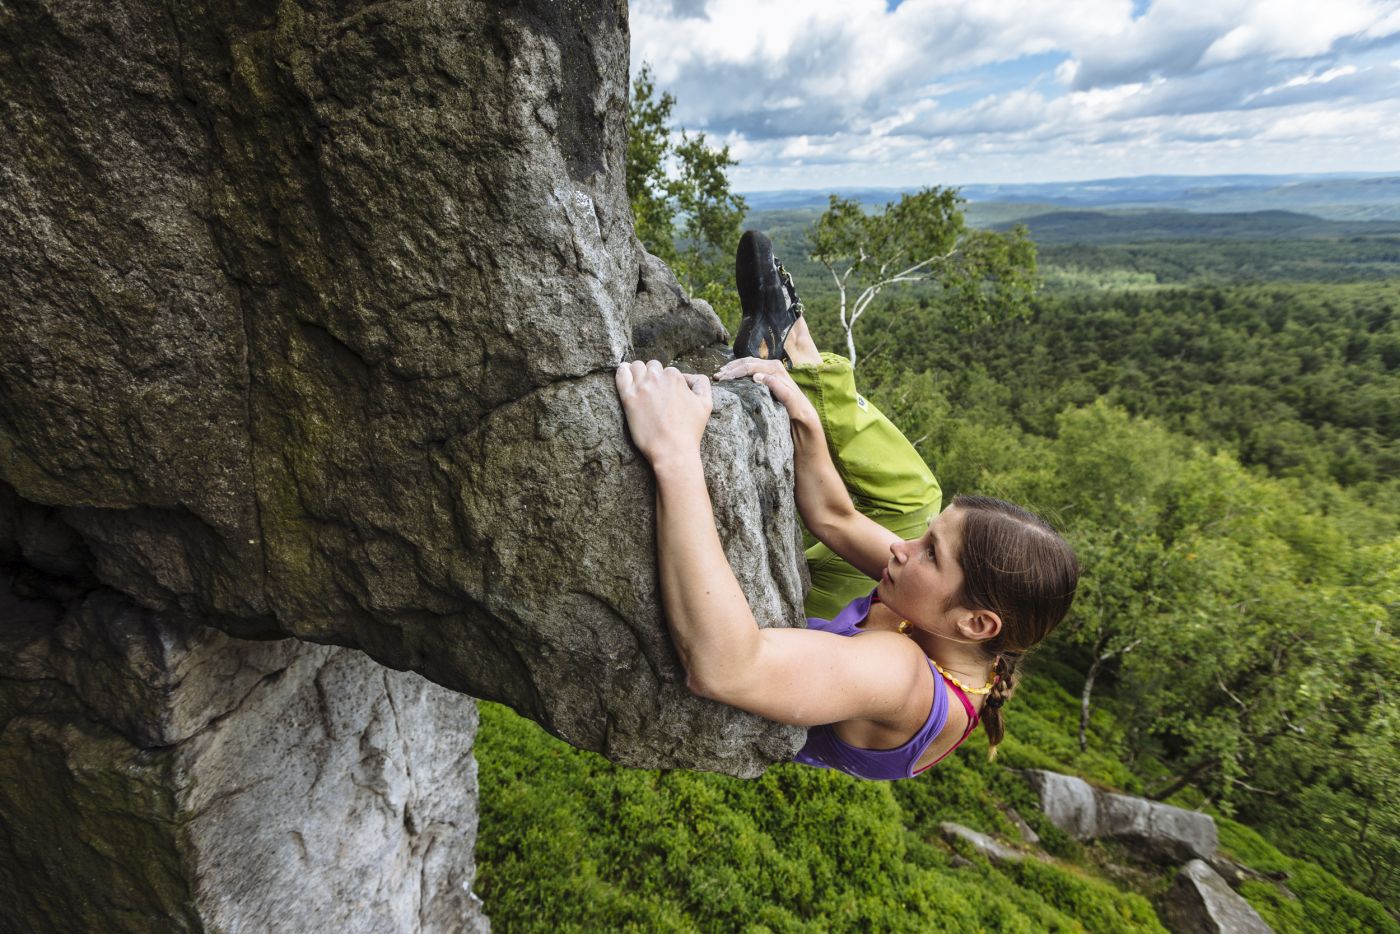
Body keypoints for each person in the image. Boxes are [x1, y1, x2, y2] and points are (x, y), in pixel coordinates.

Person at [614, 231, 1078, 780]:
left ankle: (804, 351)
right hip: (849, 640)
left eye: (931, 553)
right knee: (915, 503)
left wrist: (675, 453)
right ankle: (801, 358)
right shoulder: (953, 625)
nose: (903, 551)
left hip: (745, 660)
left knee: (914, 500)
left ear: (976, 623)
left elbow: (726, 669)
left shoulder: (899, 674)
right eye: (926, 541)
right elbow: (836, 519)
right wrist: (802, 412)